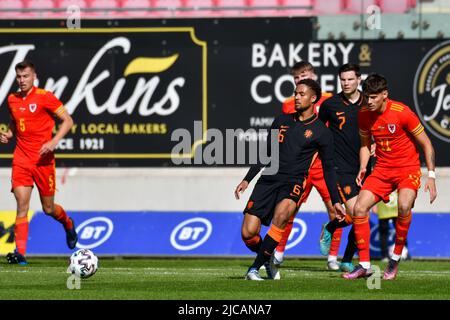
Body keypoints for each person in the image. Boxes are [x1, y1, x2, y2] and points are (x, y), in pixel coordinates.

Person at [234, 79, 345, 280]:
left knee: (281, 218)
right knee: (248, 233)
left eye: (302, 94)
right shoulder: (281, 120)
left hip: (293, 182)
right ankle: (266, 258)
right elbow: (266, 152)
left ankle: (254, 269)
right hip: (268, 179)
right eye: (296, 93)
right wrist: (247, 179)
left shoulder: (322, 131)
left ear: (313, 99)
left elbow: (329, 169)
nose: (297, 97)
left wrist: (336, 200)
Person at [344, 73, 437, 280]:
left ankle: (394, 260)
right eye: (367, 97)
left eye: (373, 97)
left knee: (403, 206)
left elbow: (427, 143)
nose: (369, 101)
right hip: (382, 170)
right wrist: (363, 167)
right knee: (359, 208)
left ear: (384, 95)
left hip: (407, 169)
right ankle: (365, 265)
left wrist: (431, 176)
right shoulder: (364, 114)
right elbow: (365, 145)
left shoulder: (402, 112)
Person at [1, 60, 78, 265]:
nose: (22, 80)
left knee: (48, 208)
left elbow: (68, 120)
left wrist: (53, 141)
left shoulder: (45, 97)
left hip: (43, 161)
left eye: (25, 76)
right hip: (22, 159)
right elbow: (16, 123)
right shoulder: (12, 99)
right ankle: (21, 254)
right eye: (19, 77)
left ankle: (68, 224)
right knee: (21, 206)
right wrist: (9, 134)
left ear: (34, 77)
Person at [274, 61, 342, 273]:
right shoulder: (289, 104)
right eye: (296, 78)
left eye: (304, 75)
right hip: (301, 167)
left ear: (313, 75)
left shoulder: (330, 100)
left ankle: (333, 257)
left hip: (323, 166)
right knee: (288, 210)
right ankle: (278, 253)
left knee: (336, 211)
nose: (300, 80)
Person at [317, 63, 373, 273]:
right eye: (343, 79)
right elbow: (318, 131)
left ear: (359, 79)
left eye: (350, 79)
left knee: (361, 213)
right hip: (341, 167)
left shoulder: (369, 103)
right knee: (357, 213)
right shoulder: (330, 105)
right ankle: (333, 230)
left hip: (366, 167)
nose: (346, 83)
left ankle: (346, 257)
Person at [374, 190, 410, 262]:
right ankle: (384, 255)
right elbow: (375, 190)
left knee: (401, 232)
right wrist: (374, 205)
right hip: (383, 209)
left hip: (396, 209)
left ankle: (405, 254)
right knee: (384, 234)